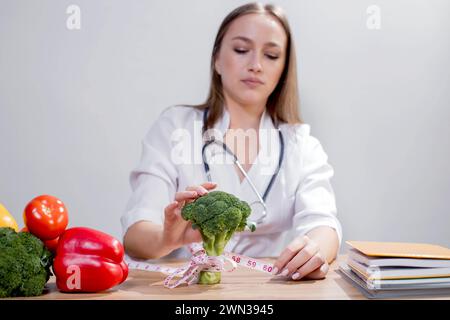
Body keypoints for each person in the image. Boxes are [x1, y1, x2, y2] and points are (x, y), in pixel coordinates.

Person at [121, 2, 342, 281]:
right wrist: (167, 238)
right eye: (241, 50)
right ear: (216, 60)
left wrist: (315, 250)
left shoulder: (302, 145)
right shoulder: (175, 127)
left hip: (264, 292)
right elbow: (135, 235)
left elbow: (323, 224)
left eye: (271, 55)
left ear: (284, 70)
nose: (256, 65)